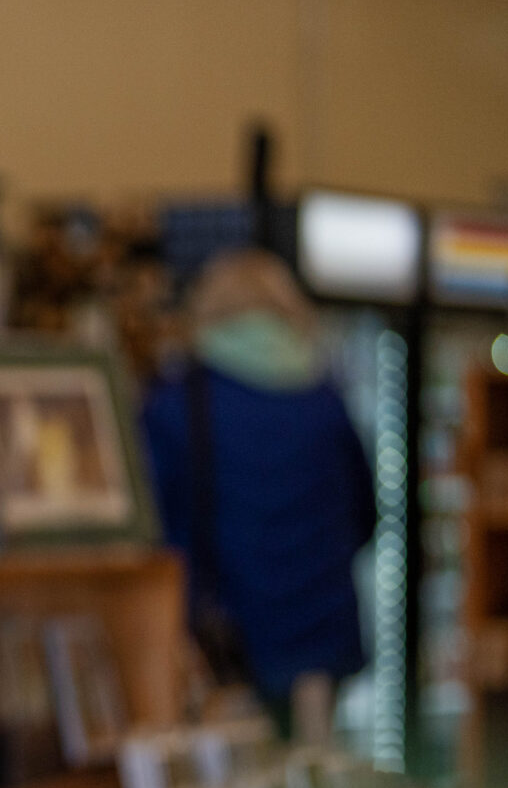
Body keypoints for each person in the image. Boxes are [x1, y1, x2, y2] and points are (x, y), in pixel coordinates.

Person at [140, 247, 376, 721]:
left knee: (230, 779)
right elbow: (366, 518)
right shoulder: (326, 403)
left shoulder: (176, 404)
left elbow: (152, 527)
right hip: (321, 640)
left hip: (222, 641)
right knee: (313, 779)